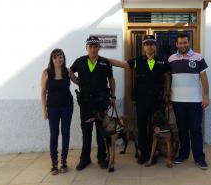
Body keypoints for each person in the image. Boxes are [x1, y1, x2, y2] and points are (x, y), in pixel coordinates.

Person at [109, 35, 170, 164]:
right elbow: (122, 64)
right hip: (141, 100)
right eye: (147, 44)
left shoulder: (162, 61)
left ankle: (154, 153)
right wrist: (104, 59)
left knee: (154, 127)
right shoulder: (138, 60)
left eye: (152, 44)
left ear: (155, 46)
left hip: (157, 101)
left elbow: (167, 77)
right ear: (143, 47)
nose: (149, 46)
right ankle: (144, 153)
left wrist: (167, 93)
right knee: (142, 127)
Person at [70, 35, 116, 170]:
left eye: (95, 46)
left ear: (99, 48)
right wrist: (77, 82)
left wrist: (113, 96)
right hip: (86, 104)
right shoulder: (80, 61)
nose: (93, 49)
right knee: (86, 132)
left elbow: (111, 79)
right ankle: (85, 159)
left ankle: (102, 158)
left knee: (101, 132)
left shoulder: (104, 62)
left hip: (101, 104)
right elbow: (70, 73)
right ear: (86, 48)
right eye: (90, 46)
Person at [168, 33, 210, 170]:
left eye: (185, 42)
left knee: (196, 130)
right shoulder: (171, 59)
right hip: (177, 101)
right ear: (176, 44)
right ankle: (183, 154)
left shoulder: (198, 57)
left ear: (189, 42)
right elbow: (167, 78)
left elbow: (204, 78)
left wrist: (206, 96)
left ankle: (199, 158)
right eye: (180, 43)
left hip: (195, 101)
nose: (183, 45)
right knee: (182, 130)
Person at [40, 48, 78, 175]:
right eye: (55, 57)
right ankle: (54, 163)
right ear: (52, 59)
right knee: (54, 134)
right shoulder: (46, 73)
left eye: (60, 57)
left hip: (67, 106)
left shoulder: (67, 71)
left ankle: (64, 162)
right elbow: (42, 92)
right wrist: (44, 110)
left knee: (65, 133)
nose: (58, 59)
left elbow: (79, 82)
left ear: (64, 58)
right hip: (53, 108)